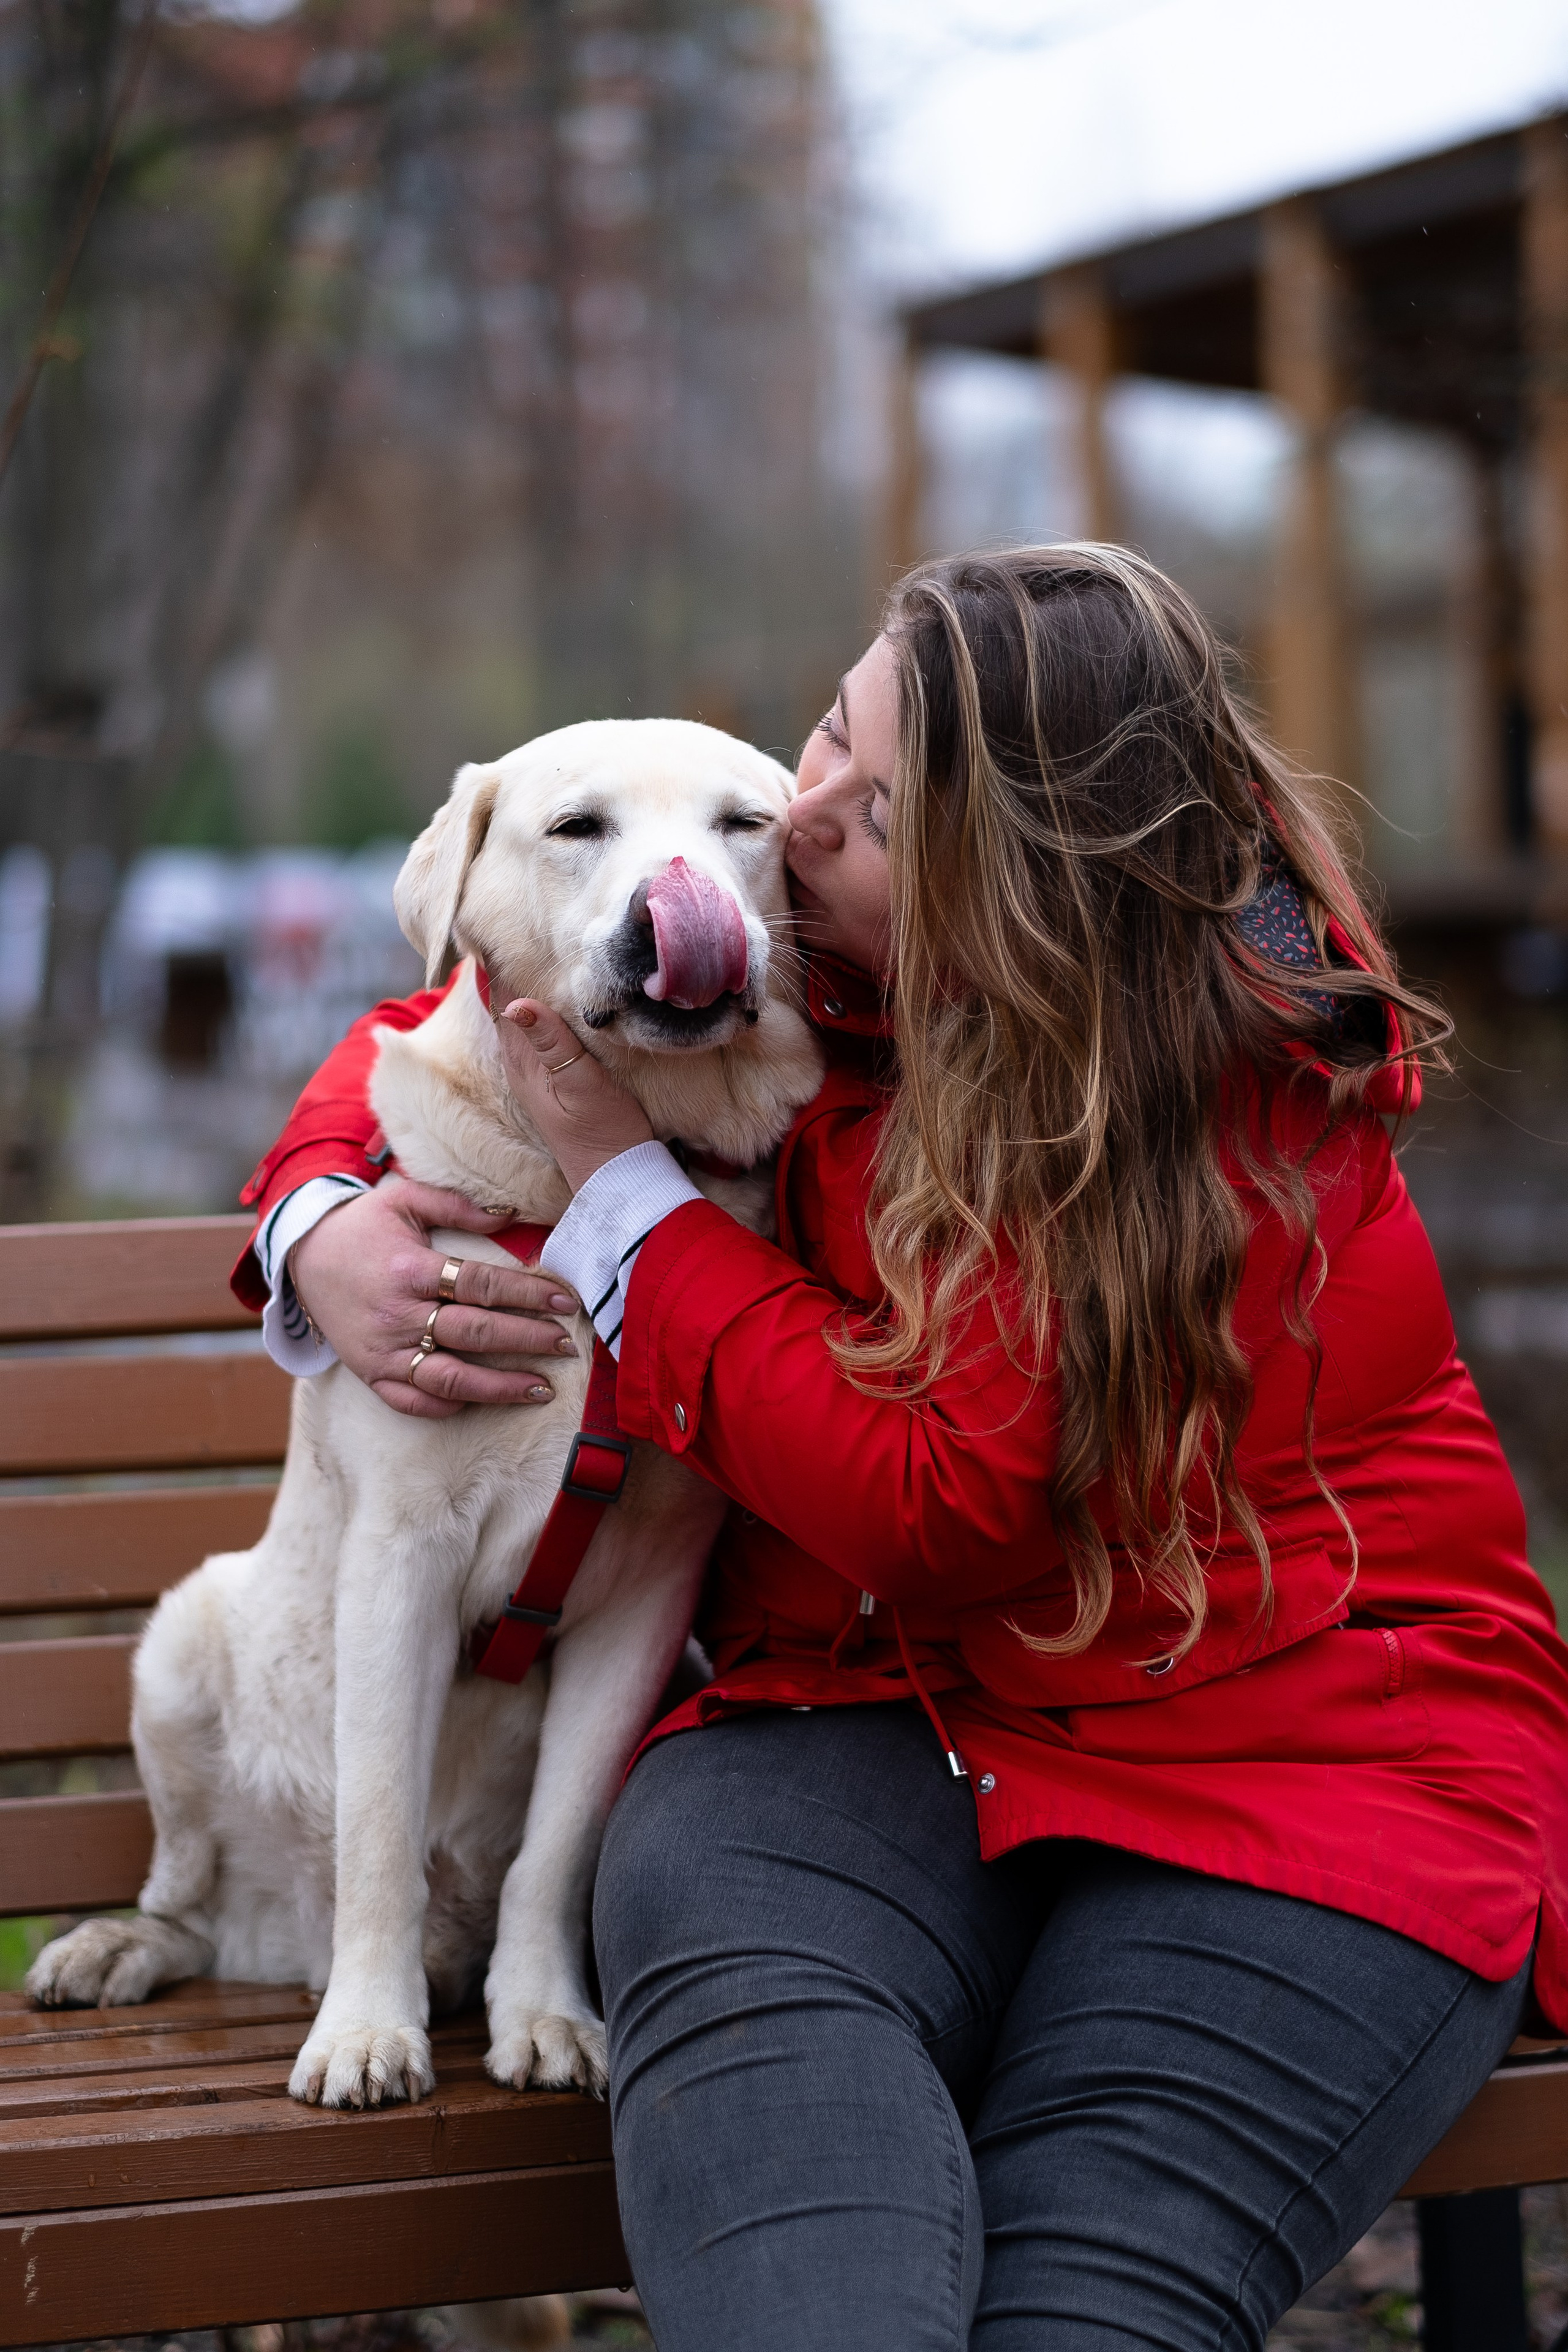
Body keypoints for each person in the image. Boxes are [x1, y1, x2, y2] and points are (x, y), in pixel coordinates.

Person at [234, 545, 1568, 2352]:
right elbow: (472, 1017)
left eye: (869, 803)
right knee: (807, 2264)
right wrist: (321, 1217)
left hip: (1306, 1764)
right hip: (863, 1725)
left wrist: (634, 1205)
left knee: (1087, 2294)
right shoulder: (823, 977)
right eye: (825, 738)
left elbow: (932, 1506)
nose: (796, 826)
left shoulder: (1243, 1108)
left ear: (1010, 884)